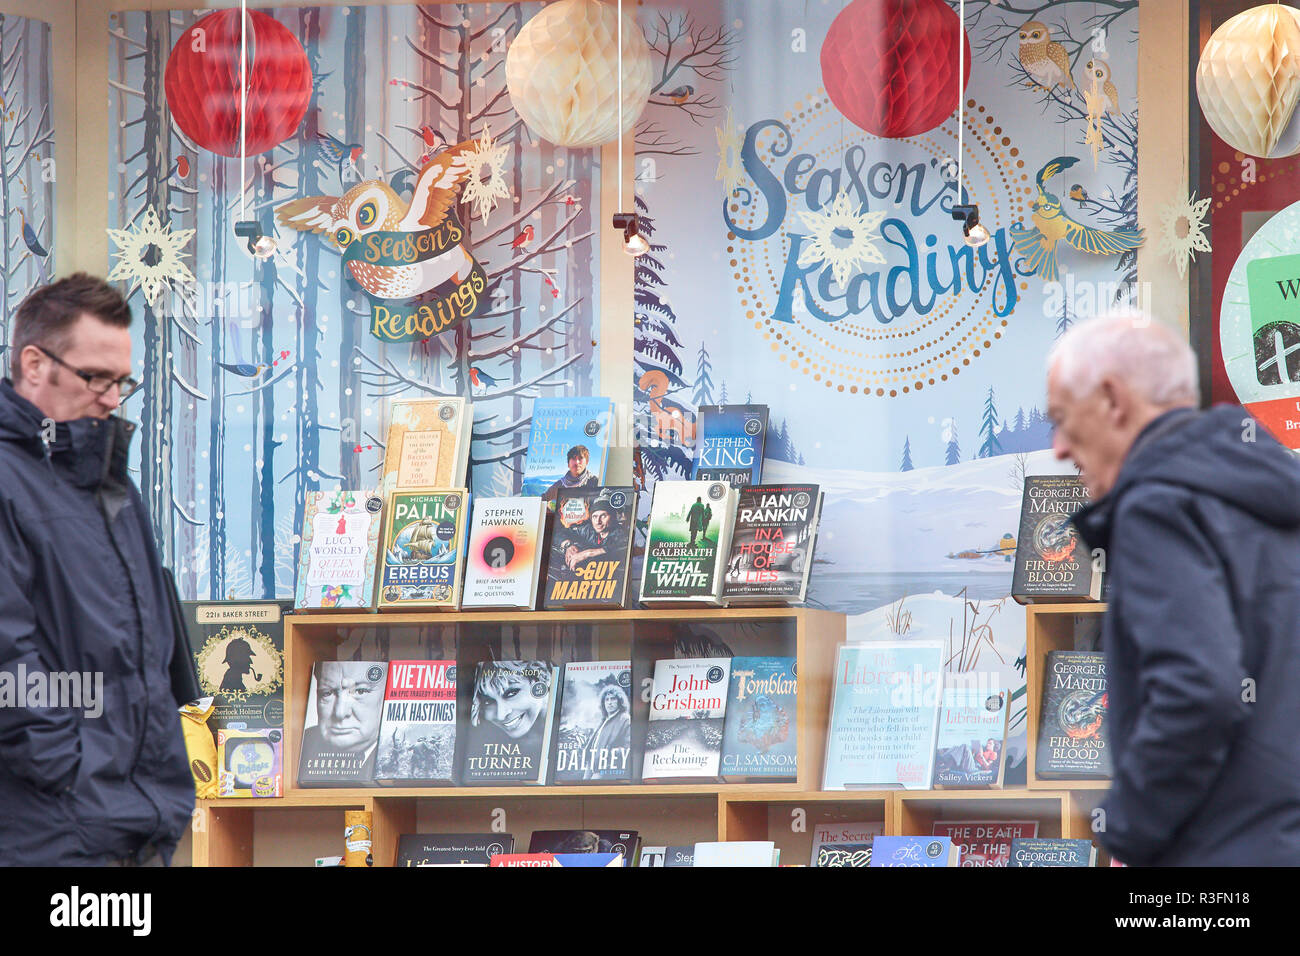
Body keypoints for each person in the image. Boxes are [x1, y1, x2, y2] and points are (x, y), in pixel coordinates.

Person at [1047, 311, 1300, 866]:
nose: (1061, 447)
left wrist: (1129, 831)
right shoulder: (1270, 502)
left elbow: (1201, 690)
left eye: (1063, 419)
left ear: (1114, 401)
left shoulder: (1156, 507)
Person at [0, 273, 195, 866]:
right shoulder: (9, 483)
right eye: (96, 378)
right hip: (51, 836)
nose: (112, 398)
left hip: (133, 828)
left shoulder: (109, 485)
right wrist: (76, 776)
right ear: (35, 364)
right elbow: (9, 664)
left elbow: (144, 659)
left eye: (122, 381)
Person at [300, 660, 386, 779]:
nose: (340, 713)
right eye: (327, 693)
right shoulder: (297, 747)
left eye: (360, 691)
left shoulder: (399, 751)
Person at [585, 684, 631, 781]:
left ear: (619, 701)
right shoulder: (604, 720)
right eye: (607, 699)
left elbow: (628, 747)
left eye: (613, 699)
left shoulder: (624, 719)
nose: (609, 702)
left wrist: (609, 753)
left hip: (606, 767)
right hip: (591, 763)